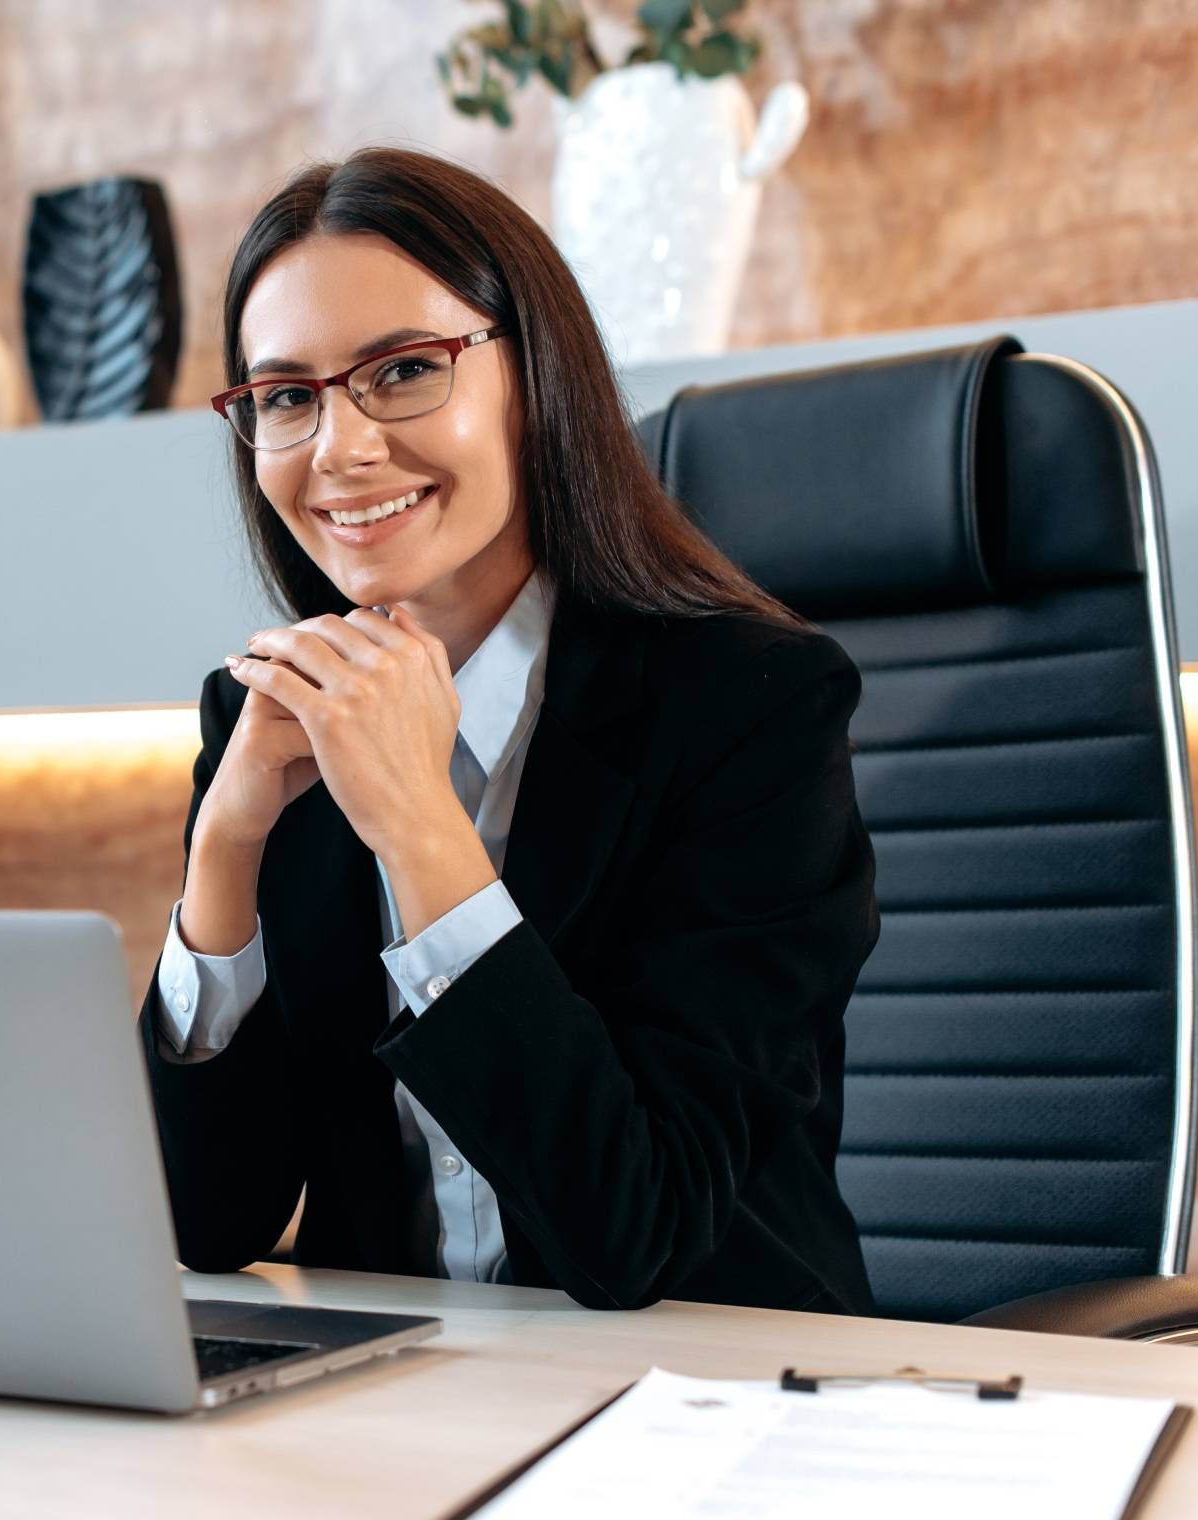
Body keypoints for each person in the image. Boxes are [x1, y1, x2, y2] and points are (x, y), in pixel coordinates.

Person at [135, 146, 879, 1314]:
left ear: (532, 378)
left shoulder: (753, 710)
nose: (339, 447)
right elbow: (208, 1222)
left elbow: (635, 1231)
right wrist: (222, 857)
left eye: (403, 370)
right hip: (398, 1405)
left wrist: (422, 827)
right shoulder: (269, 715)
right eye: (286, 395)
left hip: (706, 1400)